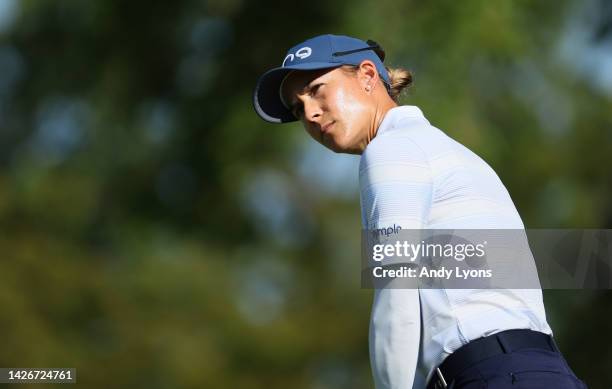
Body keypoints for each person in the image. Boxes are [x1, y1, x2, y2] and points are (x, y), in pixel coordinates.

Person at [253, 34, 587, 389]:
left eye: (318, 89)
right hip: (544, 371)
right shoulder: (452, 152)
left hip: (493, 375)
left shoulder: (390, 150)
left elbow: (396, 292)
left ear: (367, 76)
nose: (309, 113)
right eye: (296, 108)